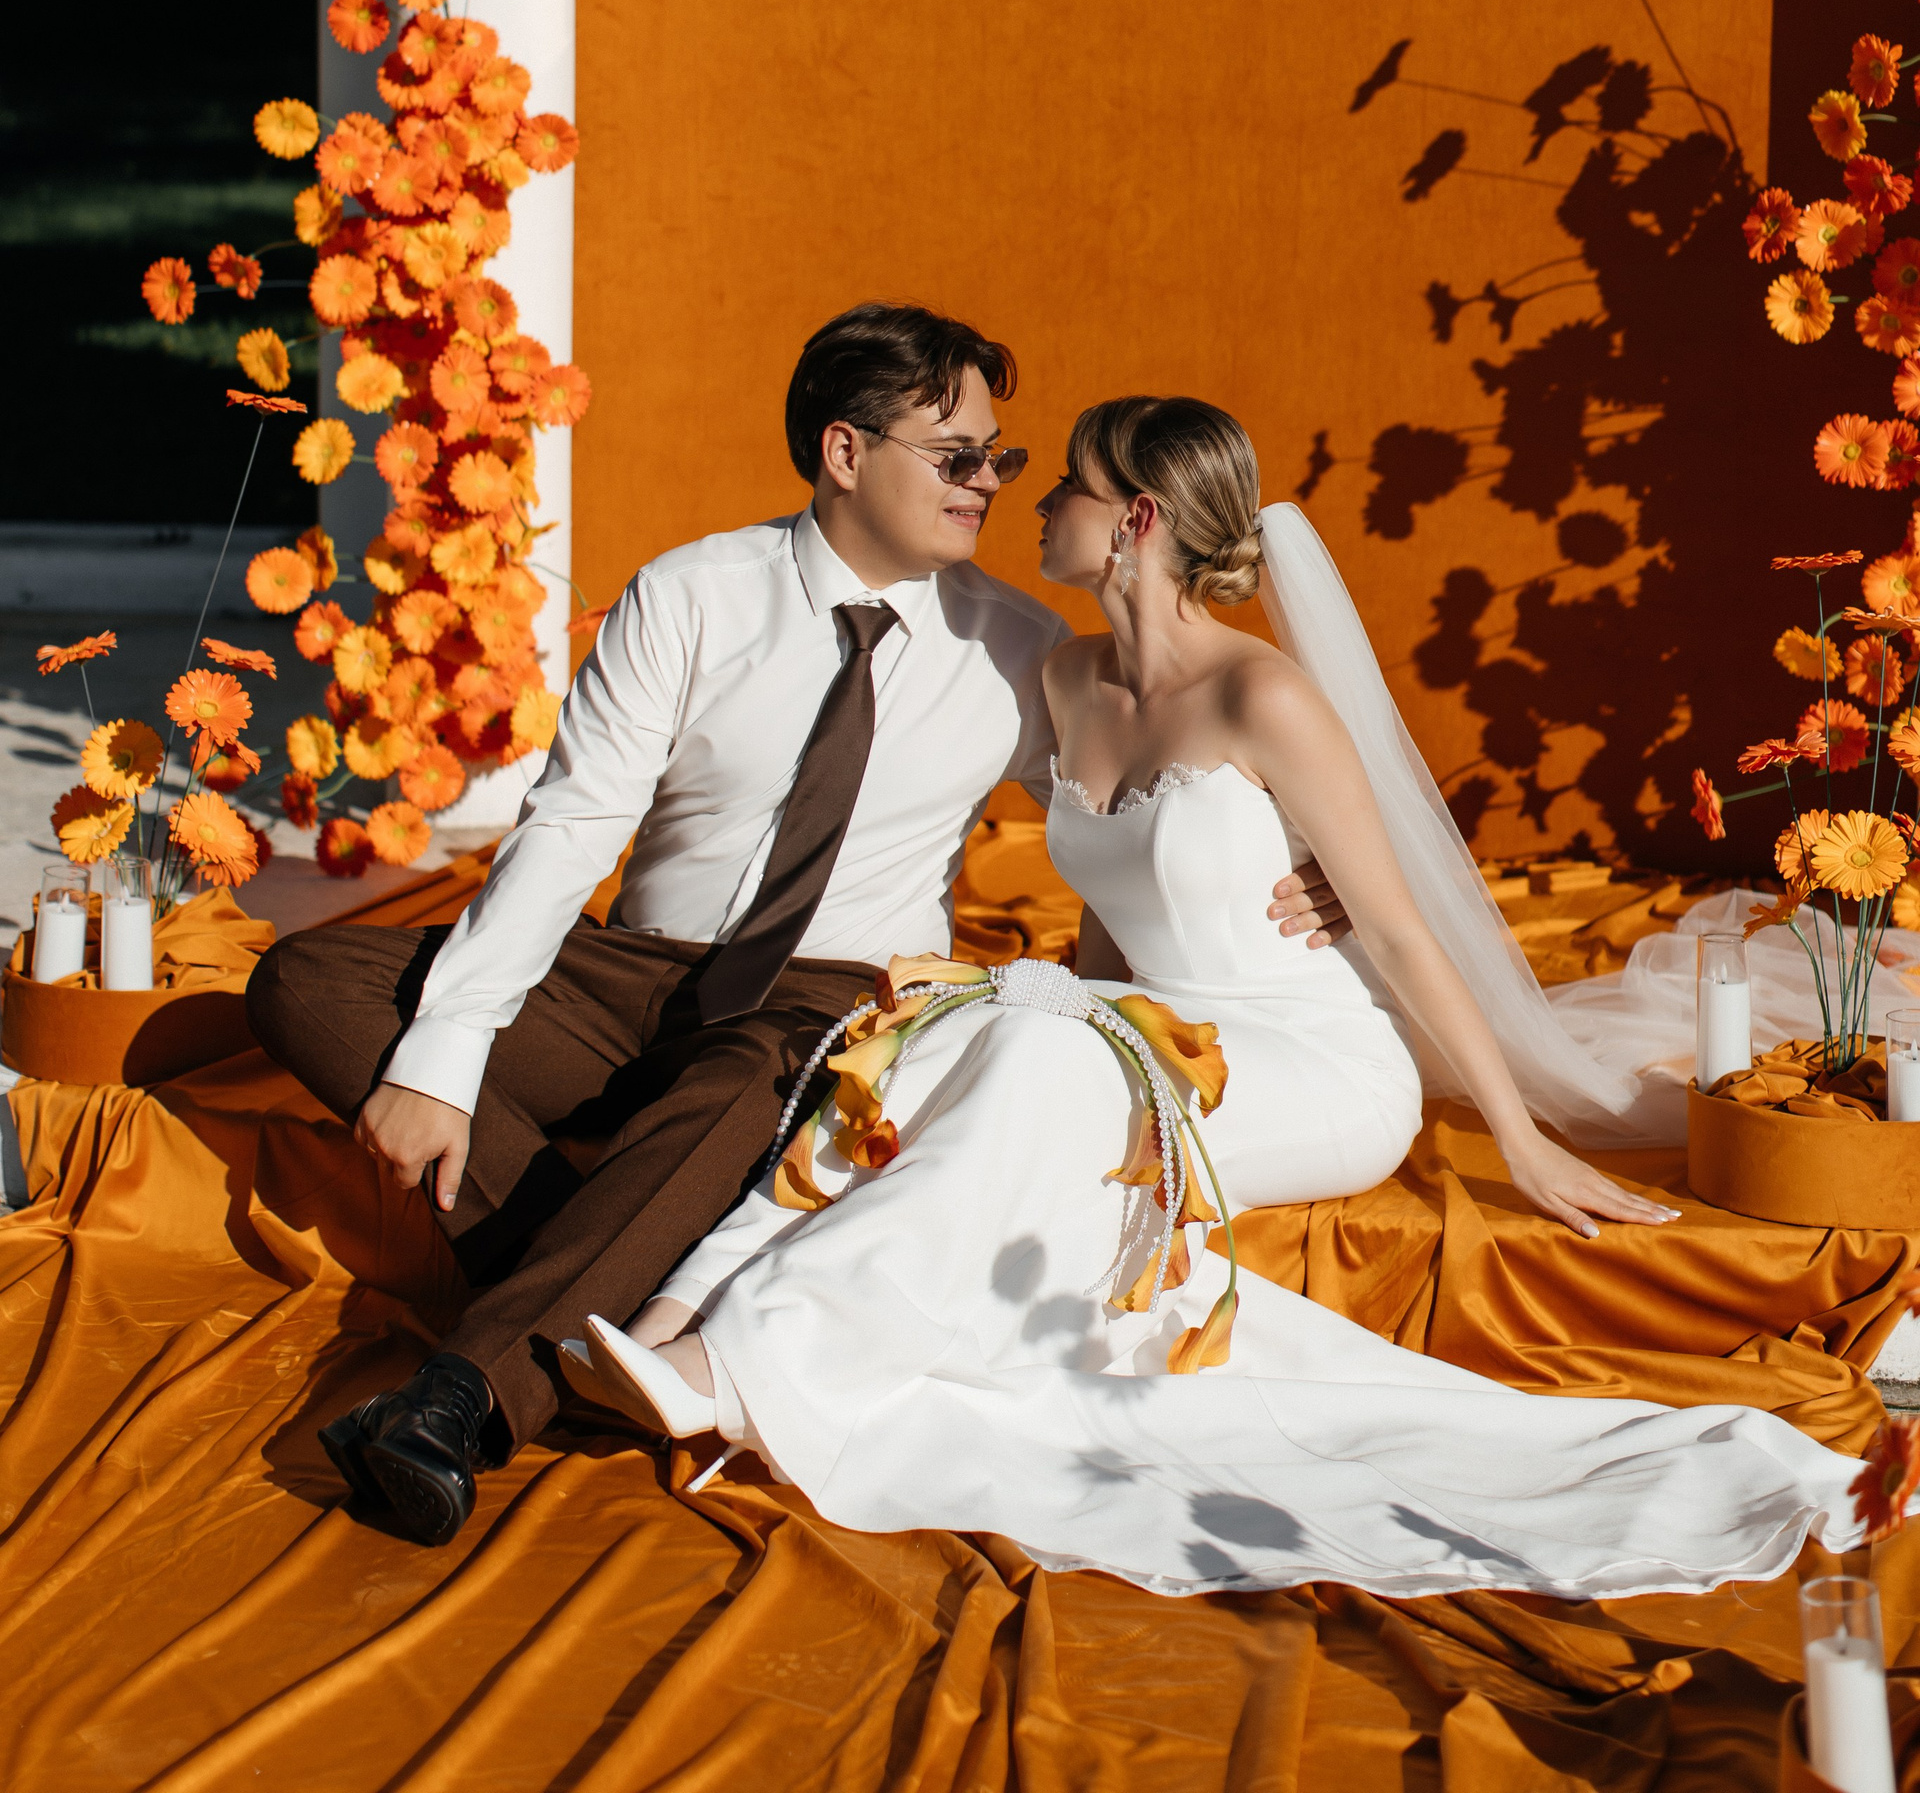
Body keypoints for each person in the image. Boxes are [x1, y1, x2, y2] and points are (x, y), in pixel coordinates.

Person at [572, 398, 1873, 1600]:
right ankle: (681, 1313)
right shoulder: (1068, 680)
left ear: (1135, 519)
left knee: (1036, 1058)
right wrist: (1034, 1012)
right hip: (1148, 1032)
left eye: (1068, 485)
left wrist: (1522, 1139)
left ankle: (752, 1359)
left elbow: (1402, 931)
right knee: (934, 1034)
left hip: (1313, 1063)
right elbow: (1109, 913)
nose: (1037, 503)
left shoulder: (1264, 695)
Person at [245, 309, 1350, 1546]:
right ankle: (614, 1284)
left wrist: (1321, 870)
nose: (989, 482)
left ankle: (463, 1398)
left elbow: (1155, 805)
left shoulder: (1023, 653)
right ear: (845, 451)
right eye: (957, 456)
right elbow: (570, 829)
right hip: (632, 973)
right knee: (309, 980)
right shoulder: (692, 596)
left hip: (831, 1003)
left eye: (999, 458)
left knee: (750, 1081)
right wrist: (445, 1058)